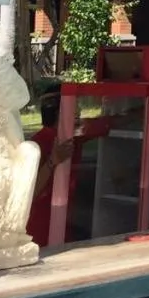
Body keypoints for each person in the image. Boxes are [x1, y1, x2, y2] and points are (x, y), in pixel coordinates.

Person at [26, 83, 115, 247]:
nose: (79, 111)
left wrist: (138, 112)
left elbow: (107, 123)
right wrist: (52, 161)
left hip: (63, 220)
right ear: (60, 111)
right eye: (74, 106)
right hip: (40, 226)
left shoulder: (73, 137)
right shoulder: (36, 145)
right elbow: (29, 193)